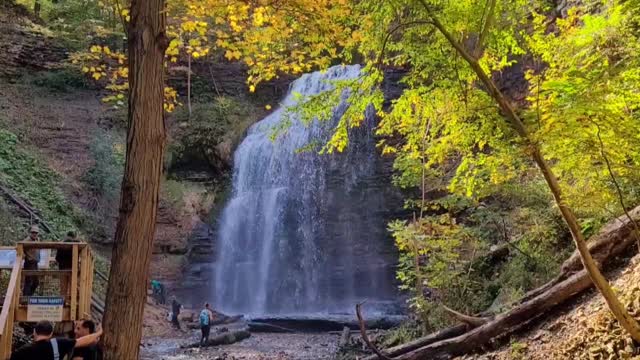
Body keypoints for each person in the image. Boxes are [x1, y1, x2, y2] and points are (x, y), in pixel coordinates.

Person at [10, 320, 102, 360]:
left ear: (34, 332)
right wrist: (98, 333)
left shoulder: (20, 352)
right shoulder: (59, 343)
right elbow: (83, 340)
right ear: (50, 333)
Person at [56, 231, 78, 301]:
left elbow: (57, 258)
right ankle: (72, 302)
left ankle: (63, 303)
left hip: (62, 268)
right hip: (72, 269)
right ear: (73, 237)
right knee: (73, 287)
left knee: (63, 288)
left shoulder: (61, 244)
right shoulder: (75, 244)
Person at [22, 225, 41, 296]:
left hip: (35, 263)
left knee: (36, 282)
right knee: (28, 281)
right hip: (29, 262)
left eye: (36, 233)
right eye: (33, 232)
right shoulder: (26, 241)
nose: (34, 234)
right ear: (30, 233)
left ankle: (29, 296)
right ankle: (25, 298)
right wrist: (24, 255)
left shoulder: (37, 240)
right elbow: (20, 247)